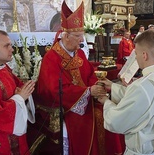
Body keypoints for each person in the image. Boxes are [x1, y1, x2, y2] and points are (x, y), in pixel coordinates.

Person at [35, 1, 124, 155]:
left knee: (108, 111)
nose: (82, 40)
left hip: (85, 98)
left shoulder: (79, 53)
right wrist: (89, 91)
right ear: (65, 36)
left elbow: (89, 75)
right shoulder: (51, 58)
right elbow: (54, 90)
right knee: (90, 119)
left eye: (82, 35)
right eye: (77, 36)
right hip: (64, 107)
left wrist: (97, 87)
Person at [97, 30, 154, 154]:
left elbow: (117, 121)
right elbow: (144, 102)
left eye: (136, 54)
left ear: (144, 55)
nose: (135, 58)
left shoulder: (143, 86)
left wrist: (106, 102)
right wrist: (113, 86)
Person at [0, 30, 35, 154]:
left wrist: (24, 91)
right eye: (6, 45)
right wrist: (20, 97)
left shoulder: (3, 67)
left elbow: (19, 87)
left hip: (17, 138)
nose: (12, 49)